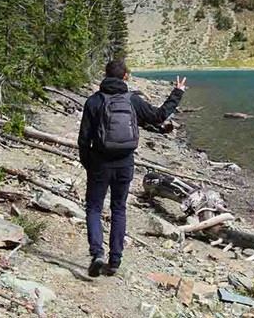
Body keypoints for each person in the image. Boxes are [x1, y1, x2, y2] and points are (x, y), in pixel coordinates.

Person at [77, 59, 186, 276]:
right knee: (119, 208)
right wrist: (177, 92)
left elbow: (83, 139)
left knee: (94, 208)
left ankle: (97, 252)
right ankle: (115, 259)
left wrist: (88, 163)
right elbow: (159, 115)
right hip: (125, 163)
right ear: (125, 76)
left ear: (106, 75)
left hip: (100, 163)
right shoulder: (133, 100)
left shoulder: (94, 101)